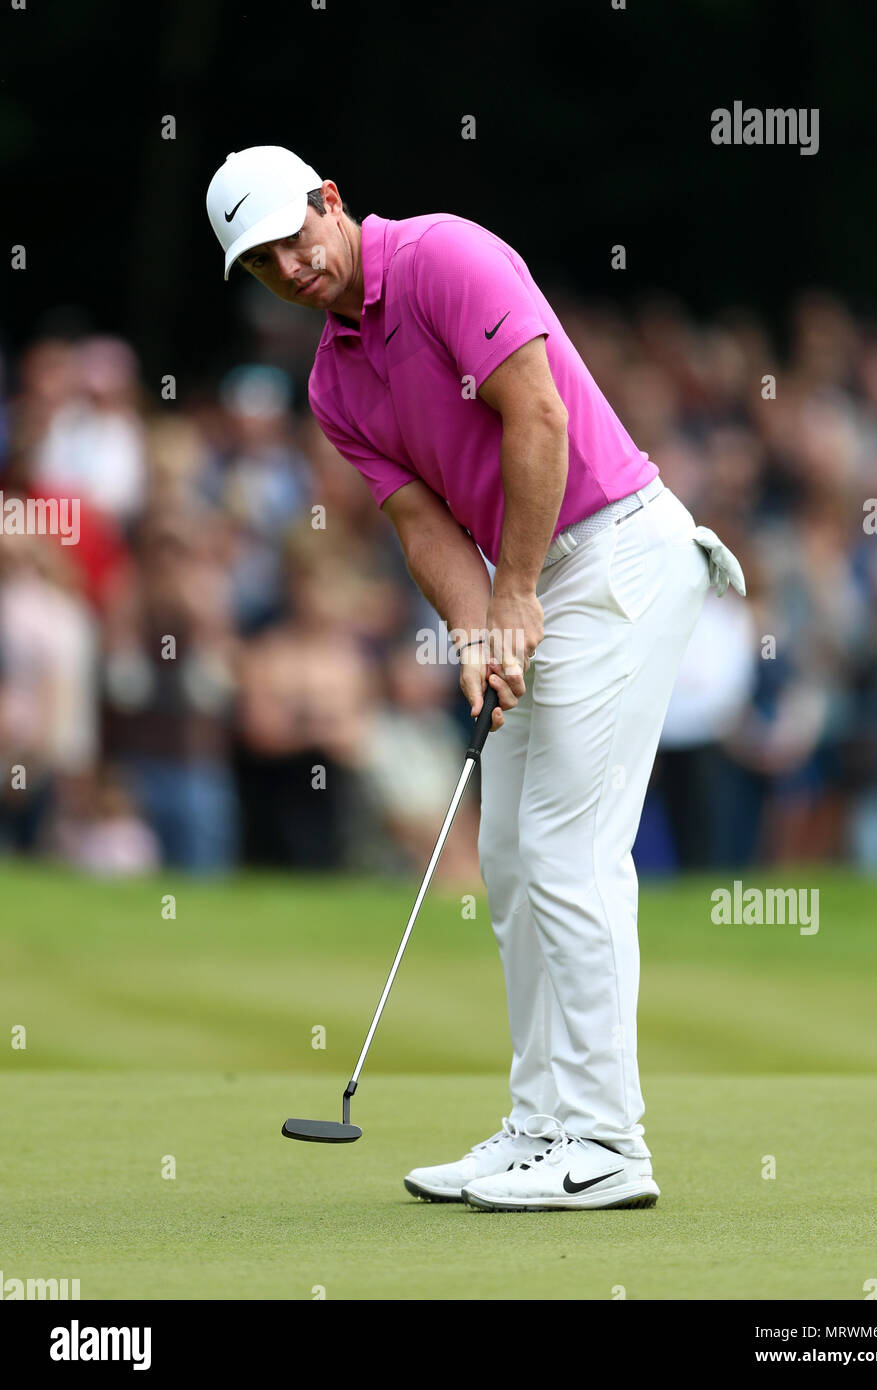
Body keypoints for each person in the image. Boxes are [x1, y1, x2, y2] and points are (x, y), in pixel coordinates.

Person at [206, 146, 745, 1211]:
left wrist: (517, 594)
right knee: (505, 854)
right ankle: (540, 1123)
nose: (288, 266)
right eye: (262, 263)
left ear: (331, 201)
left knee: (566, 849)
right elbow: (421, 523)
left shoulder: (444, 256)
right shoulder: (329, 380)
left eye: (291, 238)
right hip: (533, 575)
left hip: (619, 555)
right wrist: (474, 630)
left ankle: (606, 1142)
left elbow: (536, 418)